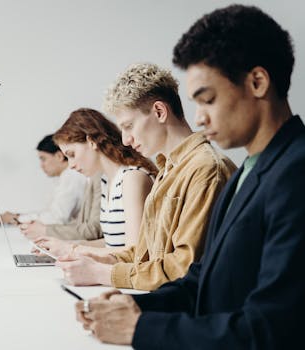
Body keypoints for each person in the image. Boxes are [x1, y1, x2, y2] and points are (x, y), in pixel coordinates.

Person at [75, 5, 305, 349]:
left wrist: (140, 330)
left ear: (257, 82)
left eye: (208, 100)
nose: (198, 119)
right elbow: (201, 281)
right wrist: (135, 307)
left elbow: (272, 328)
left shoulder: (295, 174)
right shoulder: (250, 170)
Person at [55, 62, 236, 290]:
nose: (125, 140)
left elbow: (184, 268)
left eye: (129, 126)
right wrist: (99, 258)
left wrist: (104, 273)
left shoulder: (205, 170)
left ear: (159, 112)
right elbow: (147, 252)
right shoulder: (168, 168)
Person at [33, 108, 158, 258]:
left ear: (91, 142)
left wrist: (73, 250)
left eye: (72, 155)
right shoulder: (106, 181)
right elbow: (113, 243)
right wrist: (64, 246)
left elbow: (135, 252)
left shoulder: (132, 178)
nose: (70, 165)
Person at [0, 134, 86, 225]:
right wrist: (19, 217)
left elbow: (57, 218)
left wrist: (18, 218)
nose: (41, 165)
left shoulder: (72, 177)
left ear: (59, 156)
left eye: (43, 159)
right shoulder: (66, 177)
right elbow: (52, 213)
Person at [19, 173, 103, 241]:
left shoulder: (76, 178)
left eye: (72, 155)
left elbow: (93, 230)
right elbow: (80, 223)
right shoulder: (90, 178)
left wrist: (45, 230)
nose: (71, 165)